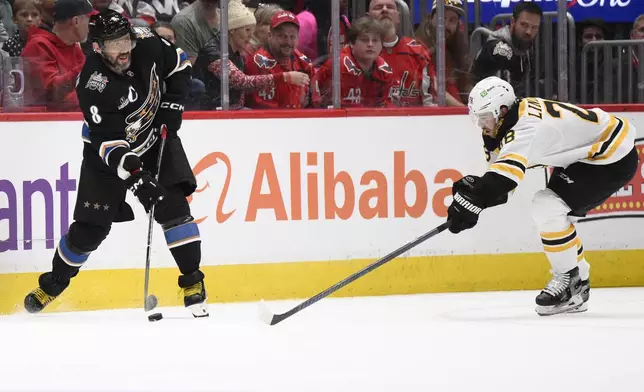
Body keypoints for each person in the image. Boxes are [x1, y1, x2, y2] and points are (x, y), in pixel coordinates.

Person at [23, 9, 209, 318]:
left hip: (154, 136)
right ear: (97, 47)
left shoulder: (147, 42)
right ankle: (54, 282)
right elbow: (109, 144)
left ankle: (193, 282)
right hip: (107, 154)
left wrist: (173, 102)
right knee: (89, 230)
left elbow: (180, 64)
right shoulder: (93, 86)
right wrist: (137, 177)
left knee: (174, 208)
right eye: (113, 45)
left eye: (125, 41)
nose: (123, 51)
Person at [447, 76, 639, 316]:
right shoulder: (501, 126)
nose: (481, 125)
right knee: (550, 208)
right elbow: (501, 186)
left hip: (611, 156)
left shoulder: (525, 127)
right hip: (584, 155)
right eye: (477, 119)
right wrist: (470, 202)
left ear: (503, 110)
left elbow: (502, 181)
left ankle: (571, 282)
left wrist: (472, 201)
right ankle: (578, 281)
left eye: (484, 118)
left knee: (547, 206)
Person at [312, 16, 393, 108]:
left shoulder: (384, 71)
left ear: (382, 45)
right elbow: (317, 102)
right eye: (364, 40)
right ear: (352, 43)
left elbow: (386, 109)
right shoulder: (338, 66)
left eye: (375, 40)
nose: (370, 44)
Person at [245, 10, 314, 109]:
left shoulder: (303, 62)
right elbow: (263, 110)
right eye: (282, 36)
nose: (288, 42)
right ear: (270, 36)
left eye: (292, 37)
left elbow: (315, 102)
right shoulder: (257, 62)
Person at [470, 2, 542, 97]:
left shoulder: (524, 45)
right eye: (524, 25)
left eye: (534, 27)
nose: (528, 31)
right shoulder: (499, 48)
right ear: (513, 22)